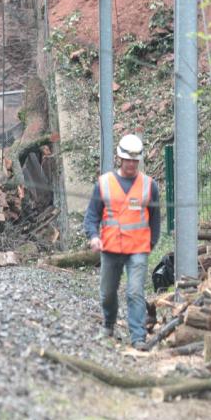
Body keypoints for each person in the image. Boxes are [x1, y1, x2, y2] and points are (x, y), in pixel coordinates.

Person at [83, 134, 161, 349]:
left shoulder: (149, 186)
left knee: (135, 291)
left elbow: (155, 219)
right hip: (110, 248)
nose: (131, 165)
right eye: (128, 160)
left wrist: (150, 243)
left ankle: (138, 337)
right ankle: (109, 323)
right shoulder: (104, 184)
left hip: (138, 249)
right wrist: (94, 236)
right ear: (120, 159)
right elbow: (91, 216)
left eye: (135, 161)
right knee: (107, 293)